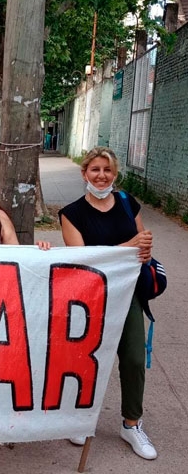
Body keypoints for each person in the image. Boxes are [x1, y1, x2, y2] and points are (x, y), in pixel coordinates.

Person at [59, 147, 157, 460]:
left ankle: (132, 423)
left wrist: (144, 249)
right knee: (86, 360)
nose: (101, 176)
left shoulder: (129, 204)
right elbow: (84, 259)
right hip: (90, 297)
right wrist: (130, 247)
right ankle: (80, 418)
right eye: (95, 170)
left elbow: (142, 249)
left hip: (127, 294)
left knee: (132, 359)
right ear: (84, 173)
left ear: (114, 174)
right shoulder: (71, 214)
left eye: (107, 170)